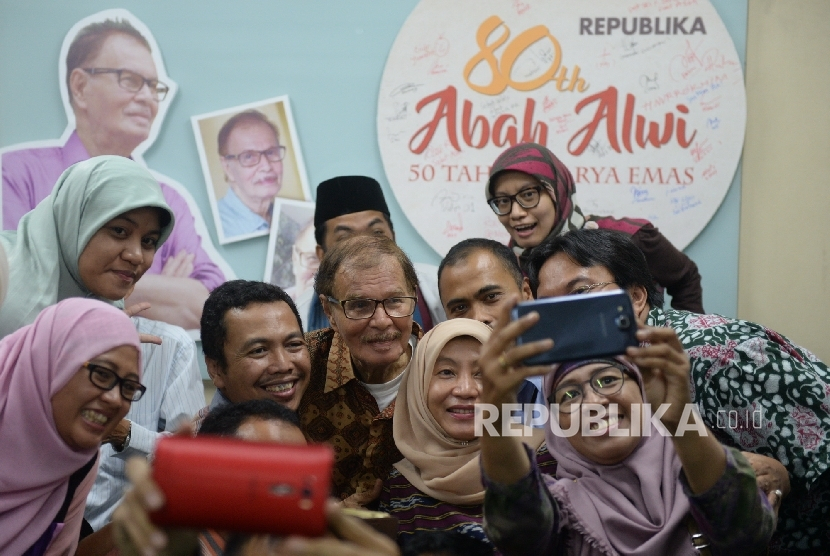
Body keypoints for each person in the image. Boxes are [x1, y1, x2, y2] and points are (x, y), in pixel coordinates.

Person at [526, 228, 830, 553]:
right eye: (552, 308)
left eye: (579, 294)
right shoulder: (603, 369)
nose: (567, 318)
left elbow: (819, 460)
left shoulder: (718, 356)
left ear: (636, 298)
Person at [477, 299, 776, 555]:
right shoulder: (563, 513)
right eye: (569, 395)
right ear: (556, 423)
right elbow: (518, 527)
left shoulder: (704, 472)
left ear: (643, 388)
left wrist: (680, 418)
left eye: (608, 380)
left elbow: (748, 535)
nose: (593, 402)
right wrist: (495, 417)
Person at [1, 16, 226, 328]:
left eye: (154, 86)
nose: (147, 97)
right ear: (80, 86)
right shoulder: (13, 173)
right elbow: (16, 283)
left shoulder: (169, 199)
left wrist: (74, 278)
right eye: (131, 80)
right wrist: (163, 288)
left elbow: (208, 306)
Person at [112, 400, 399, 556]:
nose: (279, 492)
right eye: (257, 474)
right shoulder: (165, 541)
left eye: (295, 475)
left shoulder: (326, 546)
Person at [379, 319, 553, 547]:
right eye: (446, 372)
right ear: (418, 384)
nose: (465, 390)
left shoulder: (543, 460)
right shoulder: (399, 483)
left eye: (481, 373)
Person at [485, 142, 704, 313]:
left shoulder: (626, 238)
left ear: (557, 191)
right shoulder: (508, 266)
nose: (515, 213)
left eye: (528, 195)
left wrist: (682, 340)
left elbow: (686, 278)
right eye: (502, 201)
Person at [0, 298, 142, 555]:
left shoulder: (80, 461)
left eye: (129, 387)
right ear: (52, 361)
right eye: (102, 374)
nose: (115, 398)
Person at [300, 235, 422, 503]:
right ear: (329, 311)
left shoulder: (445, 366)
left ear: (413, 296)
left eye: (394, 301)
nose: (381, 321)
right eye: (359, 305)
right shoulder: (301, 364)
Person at [0, 155, 174, 338]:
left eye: (148, 241)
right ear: (74, 222)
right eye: (119, 231)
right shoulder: (5, 270)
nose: (136, 255)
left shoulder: (109, 320)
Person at [84, 316, 206, 530]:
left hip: (115, 532)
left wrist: (124, 434)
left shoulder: (171, 344)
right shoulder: (32, 335)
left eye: (130, 387)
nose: (112, 398)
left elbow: (191, 461)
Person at [299, 175, 445, 332]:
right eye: (345, 238)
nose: (365, 247)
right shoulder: (300, 314)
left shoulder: (439, 289)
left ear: (394, 238)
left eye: (377, 232)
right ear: (322, 255)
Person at [437, 238, 541, 407]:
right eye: (460, 307)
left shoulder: (573, 370)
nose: (478, 318)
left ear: (526, 292)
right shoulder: (450, 395)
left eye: (491, 297)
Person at [197, 280, 311, 427]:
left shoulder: (317, 422)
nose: (283, 365)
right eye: (259, 351)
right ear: (216, 370)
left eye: (293, 344)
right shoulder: (203, 447)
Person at [216, 110, 285, 238]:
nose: (266, 166)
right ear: (228, 168)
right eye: (248, 156)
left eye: (271, 152)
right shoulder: (217, 227)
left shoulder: (287, 219)